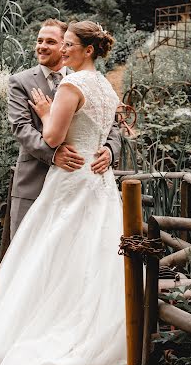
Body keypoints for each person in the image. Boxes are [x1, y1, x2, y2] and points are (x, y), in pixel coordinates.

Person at [0, 20, 127, 365]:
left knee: (54, 253)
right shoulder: (98, 84)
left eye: (62, 42)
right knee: (75, 256)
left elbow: (65, 132)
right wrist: (57, 146)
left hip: (75, 180)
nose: (51, 47)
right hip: (82, 183)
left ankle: (47, 332)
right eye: (44, 41)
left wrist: (104, 147)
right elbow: (24, 131)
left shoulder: (74, 83)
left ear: (80, 48)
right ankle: (78, 329)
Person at [8, 18, 121, 238]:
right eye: (39, 40)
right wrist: (53, 155)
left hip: (81, 183)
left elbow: (112, 126)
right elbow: (21, 127)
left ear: (64, 44)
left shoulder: (89, 82)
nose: (42, 46)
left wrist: (109, 150)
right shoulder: (20, 82)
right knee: (29, 254)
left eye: (51, 41)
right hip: (34, 182)